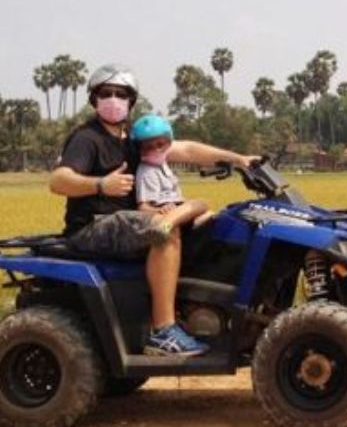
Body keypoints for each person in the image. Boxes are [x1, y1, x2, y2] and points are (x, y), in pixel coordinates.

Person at [49, 63, 257, 357]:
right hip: (94, 226)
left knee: (212, 221)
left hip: (126, 222)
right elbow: (58, 181)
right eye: (105, 93)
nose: (113, 99)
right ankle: (163, 332)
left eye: (120, 94)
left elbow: (184, 149)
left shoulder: (131, 140)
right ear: (94, 99)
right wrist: (101, 185)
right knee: (163, 230)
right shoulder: (87, 138)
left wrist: (239, 160)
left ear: (130, 101)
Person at [130, 114, 213, 236]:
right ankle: (163, 228)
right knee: (200, 203)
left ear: (169, 143)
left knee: (212, 216)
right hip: (165, 213)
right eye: (148, 147)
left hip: (176, 208)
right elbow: (142, 207)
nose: (156, 150)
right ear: (139, 149)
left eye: (160, 144)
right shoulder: (147, 171)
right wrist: (158, 210)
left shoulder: (164, 166)